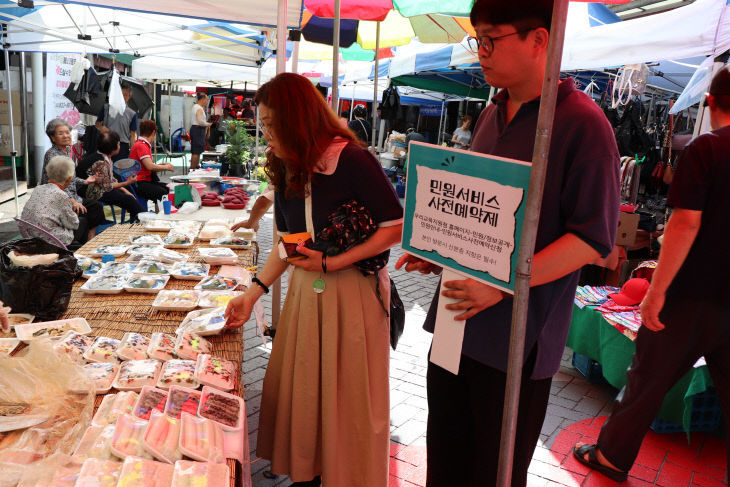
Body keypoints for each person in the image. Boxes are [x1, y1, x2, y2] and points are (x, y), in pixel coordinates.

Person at [395, 1, 621, 485]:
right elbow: (479, 215)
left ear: (540, 39)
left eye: (492, 38)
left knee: (494, 471)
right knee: (447, 461)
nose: (481, 51)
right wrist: (438, 249)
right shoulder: (490, 113)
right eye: (478, 38)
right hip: (455, 326)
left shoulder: (583, 123)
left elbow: (590, 238)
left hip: (516, 340)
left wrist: (503, 285)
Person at [224, 73, 403, 487]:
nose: (265, 133)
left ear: (297, 119)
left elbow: (393, 226)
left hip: (353, 297)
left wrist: (337, 263)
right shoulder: (287, 163)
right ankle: (307, 474)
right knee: (305, 394)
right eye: (262, 124)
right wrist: (253, 294)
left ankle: (344, 476)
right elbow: (287, 243)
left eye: (271, 124)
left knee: (347, 399)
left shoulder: (352, 159)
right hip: (307, 294)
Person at [573, 67, 730, 483]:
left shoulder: (707, 149)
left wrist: (656, 290)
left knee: (647, 380)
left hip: (692, 295)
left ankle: (610, 457)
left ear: (710, 102)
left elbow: (683, 224)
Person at [42, 118, 103, 241]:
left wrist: (85, 181)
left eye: (67, 132)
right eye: (61, 133)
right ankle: (78, 242)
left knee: (95, 207)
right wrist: (72, 201)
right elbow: (56, 184)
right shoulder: (52, 155)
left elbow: (70, 178)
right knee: (87, 212)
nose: (66, 136)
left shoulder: (68, 150)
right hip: (58, 199)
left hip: (72, 196)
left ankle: (87, 239)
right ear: (53, 138)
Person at [83, 130, 145, 222]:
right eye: (118, 144)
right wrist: (127, 183)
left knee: (128, 195)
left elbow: (111, 180)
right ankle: (144, 220)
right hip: (92, 191)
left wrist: (124, 189)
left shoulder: (104, 157)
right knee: (128, 199)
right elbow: (108, 186)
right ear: (113, 149)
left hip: (100, 186)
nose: (119, 146)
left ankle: (139, 217)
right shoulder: (101, 163)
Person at [23, 156, 83, 248]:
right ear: (69, 179)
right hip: (49, 239)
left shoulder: (38, 188)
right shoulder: (61, 195)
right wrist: (75, 215)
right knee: (83, 222)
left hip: (29, 234)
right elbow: (73, 224)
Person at [128, 119, 175, 205]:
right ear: (153, 132)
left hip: (142, 181)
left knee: (168, 188)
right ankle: (161, 214)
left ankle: (159, 212)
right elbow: (150, 166)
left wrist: (162, 165)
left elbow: (147, 165)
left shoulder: (141, 144)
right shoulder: (141, 145)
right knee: (164, 192)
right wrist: (166, 167)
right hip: (139, 183)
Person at [96, 85, 138, 161]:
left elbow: (133, 134)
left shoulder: (132, 114)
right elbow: (97, 124)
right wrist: (101, 128)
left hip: (122, 147)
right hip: (106, 144)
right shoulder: (106, 108)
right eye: (121, 94)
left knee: (119, 171)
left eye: (125, 95)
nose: (123, 97)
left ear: (129, 97)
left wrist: (132, 152)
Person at [190, 93, 210, 170]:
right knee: (196, 150)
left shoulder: (197, 107)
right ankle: (192, 168)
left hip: (197, 129)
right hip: (198, 129)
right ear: (202, 99)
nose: (207, 101)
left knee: (197, 150)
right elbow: (200, 121)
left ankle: (196, 166)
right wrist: (207, 124)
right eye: (207, 99)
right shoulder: (198, 108)